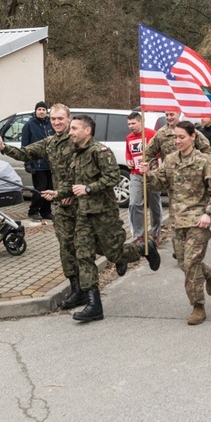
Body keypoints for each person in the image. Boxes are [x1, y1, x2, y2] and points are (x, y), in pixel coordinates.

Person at [68, 114, 161, 322]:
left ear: (87, 131)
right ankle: (94, 305)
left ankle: (143, 248)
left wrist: (89, 188)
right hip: (84, 214)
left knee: (114, 252)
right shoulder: (77, 154)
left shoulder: (100, 152)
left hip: (104, 214)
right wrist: (58, 194)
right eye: (71, 128)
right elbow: (76, 184)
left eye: (74, 128)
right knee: (83, 254)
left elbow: (111, 178)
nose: (71, 132)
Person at [0, 103, 85, 310]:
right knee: (66, 247)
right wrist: (3, 147)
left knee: (88, 246)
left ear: (69, 118)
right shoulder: (50, 142)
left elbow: (88, 170)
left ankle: (127, 254)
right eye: (53, 119)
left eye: (60, 118)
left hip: (82, 203)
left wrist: (71, 191)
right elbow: (26, 153)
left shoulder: (79, 140)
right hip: (61, 204)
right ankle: (78, 290)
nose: (57, 122)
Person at [142, 121, 211, 325]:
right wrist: (148, 174)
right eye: (175, 137)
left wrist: (208, 213)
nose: (177, 141)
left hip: (198, 220)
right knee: (183, 264)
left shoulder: (204, 161)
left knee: (190, 263)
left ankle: (198, 306)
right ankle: (208, 272)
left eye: (181, 137)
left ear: (193, 137)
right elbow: (160, 183)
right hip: (178, 220)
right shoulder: (169, 160)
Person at [125, 112, 162, 244]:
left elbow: (160, 152)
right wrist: (128, 161)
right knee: (134, 203)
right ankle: (139, 235)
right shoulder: (129, 137)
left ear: (141, 122)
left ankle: (156, 232)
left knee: (154, 205)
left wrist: (148, 158)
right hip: (136, 174)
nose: (131, 126)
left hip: (151, 173)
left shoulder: (152, 134)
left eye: (133, 123)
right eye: (129, 124)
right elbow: (129, 153)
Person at [22, 101, 55, 221]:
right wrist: (27, 162)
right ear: (35, 111)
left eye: (43, 109)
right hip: (37, 163)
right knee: (40, 189)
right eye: (39, 109)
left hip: (50, 163)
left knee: (50, 188)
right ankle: (33, 211)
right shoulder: (29, 125)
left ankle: (46, 211)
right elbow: (25, 145)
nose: (41, 111)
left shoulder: (50, 124)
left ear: (47, 111)